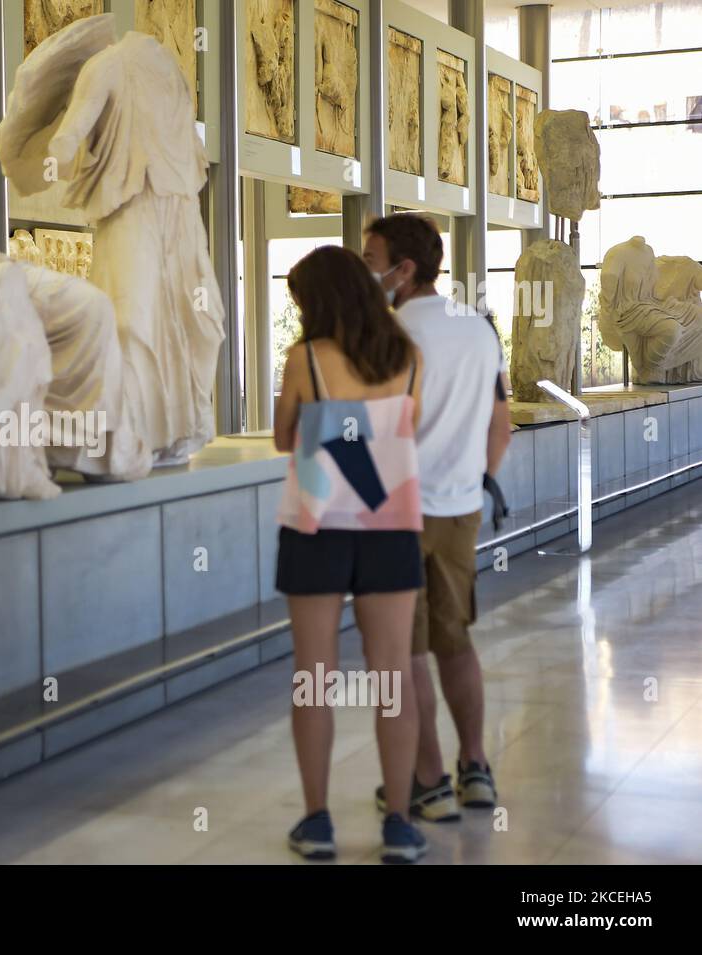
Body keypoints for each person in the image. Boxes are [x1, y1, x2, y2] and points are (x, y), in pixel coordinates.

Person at [275, 245, 427, 864]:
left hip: (316, 525)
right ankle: (398, 823)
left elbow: (287, 436)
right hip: (392, 524)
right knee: (392, 673)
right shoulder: (409, 358)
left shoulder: (305, 358)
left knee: (314, 676)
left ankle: (317, 822)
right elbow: (409, 429)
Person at [363, 213, 511, 821]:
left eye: (372, 258)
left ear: (405, 268)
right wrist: (474, 482)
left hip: (399, 512)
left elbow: (373, 432)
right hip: (461, 508)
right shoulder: (478, 327)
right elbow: (501, 426)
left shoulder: (388, 334)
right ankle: (474, 766)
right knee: (455, 640)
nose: (366, 267)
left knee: (407, 651)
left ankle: (427, 782)